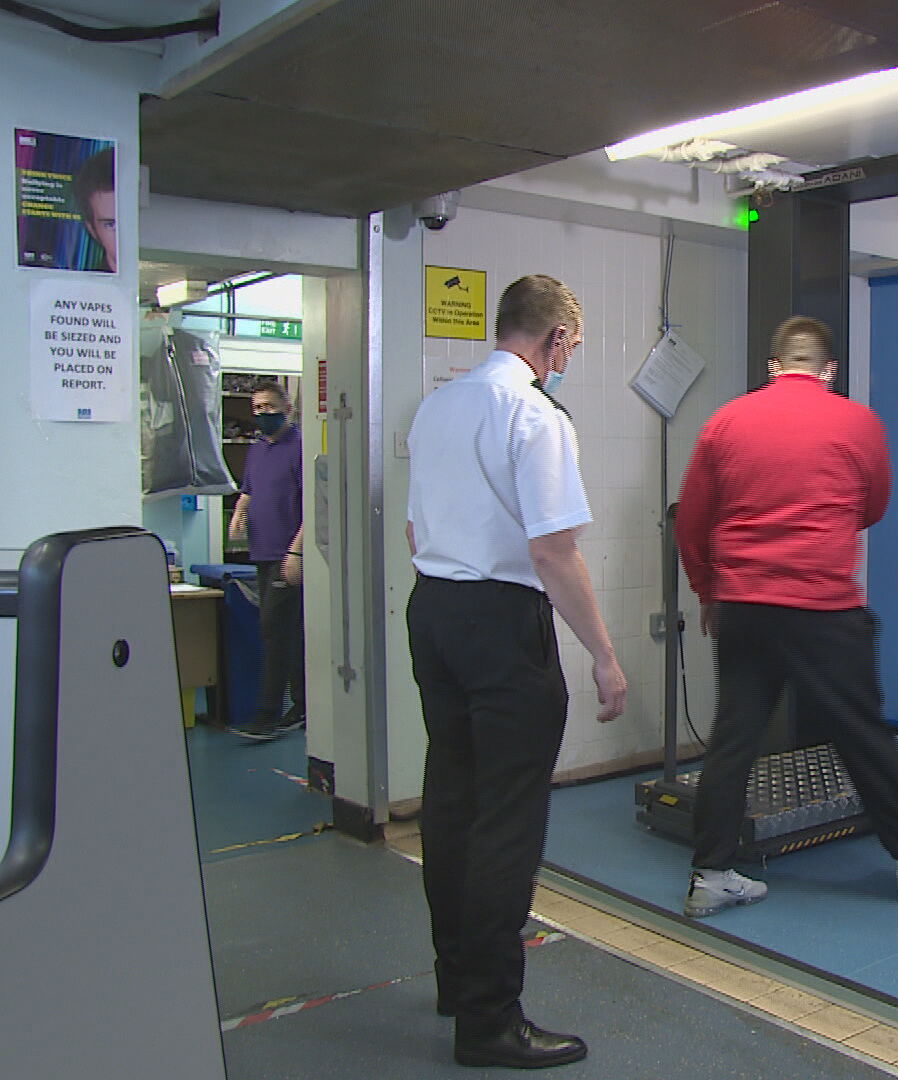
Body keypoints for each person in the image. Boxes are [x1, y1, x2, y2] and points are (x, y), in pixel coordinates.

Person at [404, 273, 627, 1069]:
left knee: (453, 804)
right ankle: (491, 1022)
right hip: (502, 625)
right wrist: (604, 654)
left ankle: (458, 983)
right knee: (506, 823)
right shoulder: (534, 415)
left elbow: (412, 528)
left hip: (432, 612)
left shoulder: (438, 406)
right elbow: (552, 551)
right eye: (573, 346)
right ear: (557, 339)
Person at [675, 315, 898, 918]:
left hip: (746, 604)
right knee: (862, 732)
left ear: (772, 367)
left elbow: (692, 520)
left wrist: (709, 593)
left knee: (733, 738)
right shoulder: (858, 422)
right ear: (829, 371)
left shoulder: (728, 420)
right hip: (822, 606)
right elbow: (874, 503)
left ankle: (711, 873)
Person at [227, 381, 306, 741]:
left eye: (270, 407)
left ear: (287, 407)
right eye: (257, 408)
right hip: (260, 550)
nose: (263, 414)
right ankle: (304, 704)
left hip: (286, 554)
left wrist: (296, 551)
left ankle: (267, 714)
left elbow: (316, 504)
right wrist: (239, 514)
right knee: (284, 632)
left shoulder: (301, 446)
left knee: (275, 633)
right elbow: (249, 489)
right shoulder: (258, 449)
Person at [71, 146, 118, 272]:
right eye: (111, 225)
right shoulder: (82, 289)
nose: (123, 236)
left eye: (131, 221)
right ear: (92, 230)